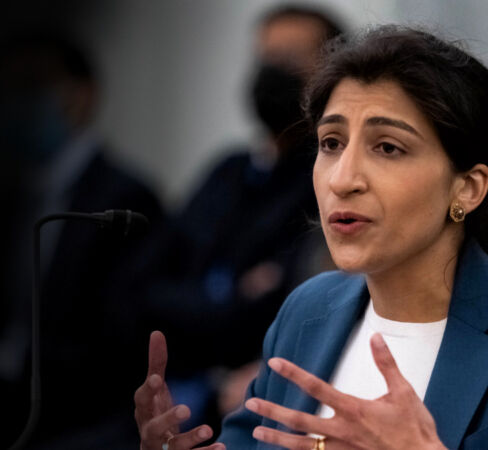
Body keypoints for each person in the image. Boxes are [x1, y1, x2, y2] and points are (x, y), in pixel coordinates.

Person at [134, 26, 488, 449]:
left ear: (468, 188)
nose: (343, 178)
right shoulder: (305, 312)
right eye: (332, 143)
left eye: (387, 147)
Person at [123, 3, 344, 438]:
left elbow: (284, 302)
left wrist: (210, 307)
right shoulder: (226, 172)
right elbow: (144, 290)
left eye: (290, 59)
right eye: (265, 58)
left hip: (253, 402)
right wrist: (230, 302)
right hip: (180, 392)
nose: (272, 72)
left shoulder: (329, 179)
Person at [0, 32, 163, 448]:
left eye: (35, 87)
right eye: (13, 87)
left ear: (82, 94)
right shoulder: (17, 194)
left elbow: (122, 334)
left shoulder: (125, 197)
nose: (19, 102)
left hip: (82, 420)